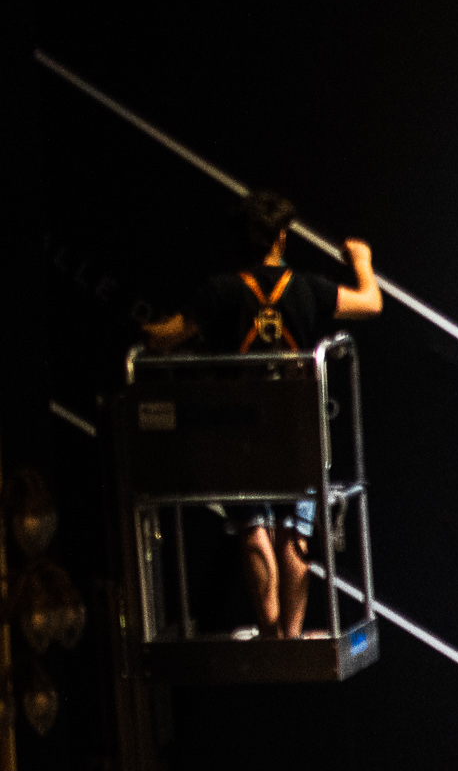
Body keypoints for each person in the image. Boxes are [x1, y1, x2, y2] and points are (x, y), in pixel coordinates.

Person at [141, 191, 382, 639]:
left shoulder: (219, 291)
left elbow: (164, 339)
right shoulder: (309, 287)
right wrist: (361, 259)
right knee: (296, 531)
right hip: (299, 425)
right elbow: (371, 302)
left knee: (254, 525)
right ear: (281, 239)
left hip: (238, 426)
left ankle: (270, 634)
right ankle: (289, 636)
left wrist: (147, 332)